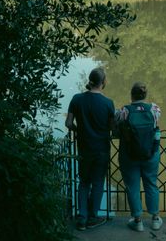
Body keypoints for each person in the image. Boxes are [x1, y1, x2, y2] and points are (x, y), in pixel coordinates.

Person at [65, 67, 115, 231]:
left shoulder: (77, 99)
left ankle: (82, 218)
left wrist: (79, 130)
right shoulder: (108, 103)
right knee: (98, 181)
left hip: (84, 149)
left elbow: (68, 123)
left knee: (84, 182)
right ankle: (94, 216)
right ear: (103, 82)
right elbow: (112, 128)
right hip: (101, 149)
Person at [115, 82, 163, 232]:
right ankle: (155, 219)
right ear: (145, 95)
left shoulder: (124, 111)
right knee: (151, 183)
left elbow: (116, 127)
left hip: (129, 155)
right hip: (150, 154)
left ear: (131, 95)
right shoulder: (155, 109)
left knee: (132, 187)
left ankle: (138, 221)